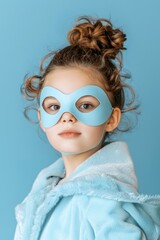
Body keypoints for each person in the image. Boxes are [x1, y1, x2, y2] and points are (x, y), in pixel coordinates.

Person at [14, 16, 160, 240]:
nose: (68, 117)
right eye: (54, 106)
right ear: (41, 118)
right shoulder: (41, 195)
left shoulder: (103, 202)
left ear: (111, 118)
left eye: (85, 105)